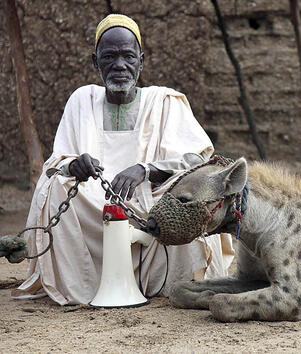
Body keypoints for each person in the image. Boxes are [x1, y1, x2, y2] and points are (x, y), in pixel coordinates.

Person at [12, 14, 235, 305]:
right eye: (109, 57)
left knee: (189, 195)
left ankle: (167, 282)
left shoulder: (165, 101)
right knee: (54, 188)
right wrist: (74, 165)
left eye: (128, 56)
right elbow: (57, 162)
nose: (119, 65)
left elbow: (198, 159)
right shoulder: (81, 100)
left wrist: (145, 169)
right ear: (95, 62)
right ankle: (83, 284)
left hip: (151, 199)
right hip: (92, 201)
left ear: (141, 61)